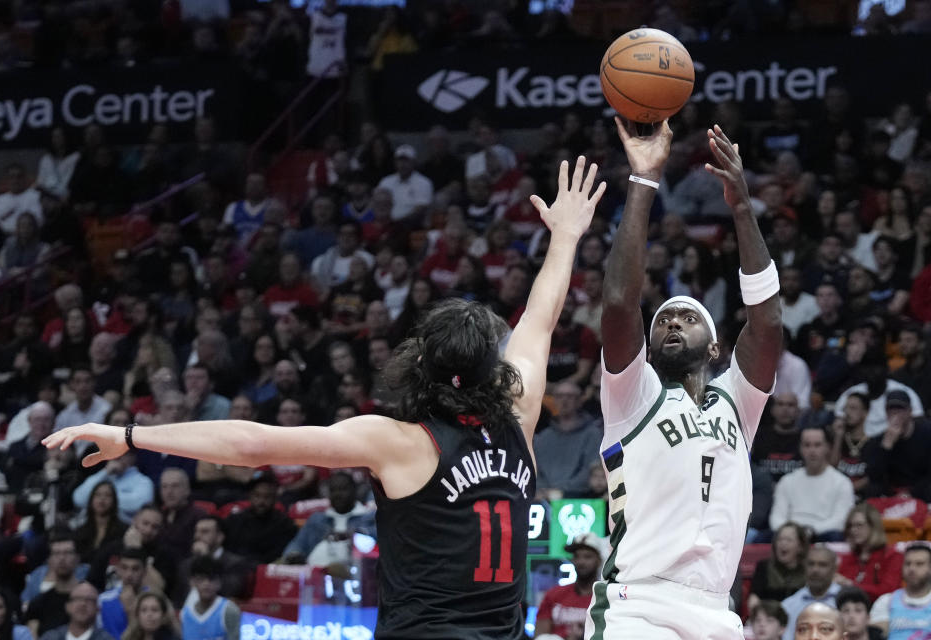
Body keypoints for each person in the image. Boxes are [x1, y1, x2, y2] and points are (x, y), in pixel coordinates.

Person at [44, 155, 607, 639]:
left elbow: (250, 444)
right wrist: (565, 236)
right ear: (492, 369)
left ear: (419, 364)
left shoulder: (399, 441)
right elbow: (541, 317)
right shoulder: (518, 412)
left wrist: (130, 435)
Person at [593, 120, 781, 639]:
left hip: (717, 611)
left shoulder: (736, 404)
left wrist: (742, 206)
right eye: (664, 320)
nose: (673, 321)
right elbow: (617, 303)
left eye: (688, 317)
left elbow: (766, 325)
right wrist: (644, 181)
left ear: (717, 346)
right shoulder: (634, 395)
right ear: (650, 347)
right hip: (639, 606)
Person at [769, 426, 855, 542]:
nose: (812, 451)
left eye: (817, 445)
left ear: (827, 448)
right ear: (800, 448)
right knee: (762, 537)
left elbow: (840, 520)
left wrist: (810, 531)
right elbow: (776, 517)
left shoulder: (842, 483)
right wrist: (792, 533)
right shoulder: (787, 481)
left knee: (835, 536)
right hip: (789, 536)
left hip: (822, 535)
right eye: (807, 445)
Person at [280, 472, 375, 567]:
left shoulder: (368, 519)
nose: (338, 494)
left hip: (356, 572)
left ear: (354, 490)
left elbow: (376, 549)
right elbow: (297, 544)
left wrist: (354, 536)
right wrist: (294, 555)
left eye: (343, 489)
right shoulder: (317, 519)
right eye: (333, 490)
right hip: (316, 572)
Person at [533, 533, 606, 639]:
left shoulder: (605, 596)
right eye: (577, 556)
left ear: (599, 561)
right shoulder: (554, 594)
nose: (581, 562)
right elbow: (540, 635)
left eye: (587, 556)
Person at [835, 503, 902, 602]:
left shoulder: (892, 556)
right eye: (850, 526)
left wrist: (851, 585)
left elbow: (887, 592)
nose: (853, 530)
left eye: (859, 525)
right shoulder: (847, 558)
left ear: (874, 526)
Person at [23, 533, 82, 637]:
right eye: (56, 553)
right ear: (49, 560)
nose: (62, 558)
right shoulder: (37, 604)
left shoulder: (91, 599)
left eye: (67, 552)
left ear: (77, 558)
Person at [869, 544, 931, 639]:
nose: (912, 569)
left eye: (919, 564)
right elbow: (875, 636)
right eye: (908, 563)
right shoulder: (885, 601)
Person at [781, 546, 842, 640]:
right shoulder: (788, 605)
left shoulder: (847, 602)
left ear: (834, 569)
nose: (815, 570)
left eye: (822, 565)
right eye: (811, 564)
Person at [748, 522, 809, 612]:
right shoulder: (764, 566)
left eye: (789, 540)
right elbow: (754, 598)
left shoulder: (809, 570)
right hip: (770, 618)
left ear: (800, 546)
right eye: (779, 539)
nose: (783, 543)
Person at [179, 557, 239, 640]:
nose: (206, 584)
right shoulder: (184, 614)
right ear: (192, 582)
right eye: (201, 578)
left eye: (212, 579)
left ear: (219, 583)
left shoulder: (229, 611)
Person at [97, 547, 148, 640]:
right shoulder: (103, 600)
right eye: (124, 568)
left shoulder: (153, 599)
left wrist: (131, 611)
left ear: (144, 572)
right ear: (118, 570)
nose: (129, 574)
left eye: (135, 569)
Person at [37, 582, 112, 640]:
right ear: (68, 606)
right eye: (78, 598)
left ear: (98, 608)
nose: (83, 604)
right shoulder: (50, 637)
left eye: (89, 600)